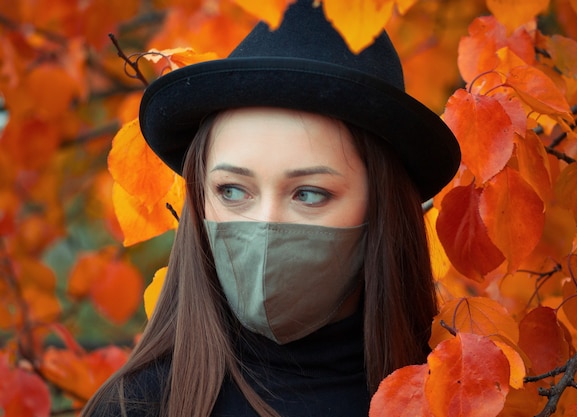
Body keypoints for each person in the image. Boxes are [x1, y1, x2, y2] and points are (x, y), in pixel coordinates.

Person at [81, 0, 460, 416]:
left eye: (310, 193)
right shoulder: (136, 406)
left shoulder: (460, 396)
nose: (265, 225)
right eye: (232, 190)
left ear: (382, 209)